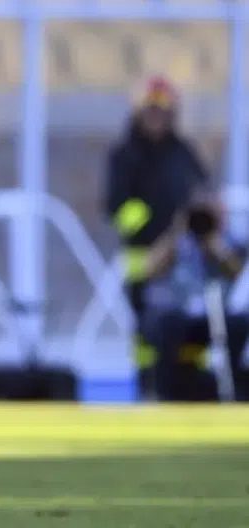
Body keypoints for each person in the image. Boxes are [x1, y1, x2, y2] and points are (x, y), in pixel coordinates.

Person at [104, 76, 209, 399]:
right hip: (143, 258)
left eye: (163, 111)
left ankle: (191, 389)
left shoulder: (183, 152)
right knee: (147, 335)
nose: (157, 118)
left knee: (192, 329)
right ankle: (148, 388)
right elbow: (118, 209)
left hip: (186, 259)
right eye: (151, 110)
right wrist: (158, 223)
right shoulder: (126, 155)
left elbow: (201, 190)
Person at [141, 189, 249, 401]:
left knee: (239, 324)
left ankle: (235, 391)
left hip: (215, 315)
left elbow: (237, 274)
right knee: (166, 324)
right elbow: (149, 269)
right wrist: (176, 231)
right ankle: (164, 392)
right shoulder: (177, 242)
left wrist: (214, 243)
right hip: (179, 315)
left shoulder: (228, 241)